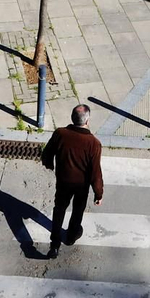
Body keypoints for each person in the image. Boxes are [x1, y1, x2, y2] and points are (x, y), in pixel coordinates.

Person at [41, 104, 103, 251]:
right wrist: (98, 193)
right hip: (81, 186)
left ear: (72, 118)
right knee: (77, 210)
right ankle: (71, 236)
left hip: (63, 181)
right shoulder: (93, 143)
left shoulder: (60, 134)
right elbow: (95, 172)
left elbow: (47, 153)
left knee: (59, 209)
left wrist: (49, 164)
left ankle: (54, 244)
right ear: (87, 121)